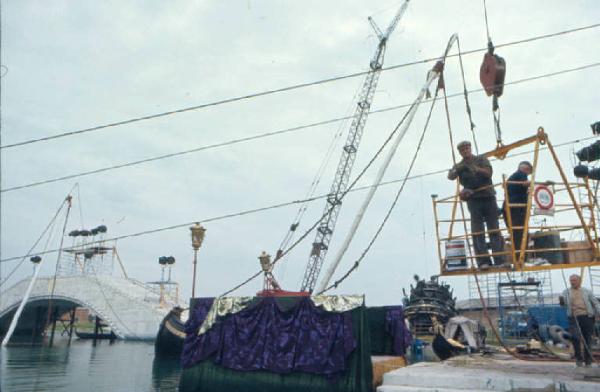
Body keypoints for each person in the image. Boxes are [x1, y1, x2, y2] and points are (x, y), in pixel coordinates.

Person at [448, 140, 505, 268]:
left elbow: (489, 173)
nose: (465, 151)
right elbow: (450, 176)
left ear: (470, 148)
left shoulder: (481, 159)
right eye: (462, 150)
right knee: (477, 232)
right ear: (460, 152)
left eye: (467, 149)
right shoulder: (460, 165)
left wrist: (476, 169)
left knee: (494, 229)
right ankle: (483, 261)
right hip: (473, 200)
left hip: (488, 197)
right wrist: (455, 170)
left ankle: (500, 260)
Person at [559, 274, 600, 367]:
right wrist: (561, 301)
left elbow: (595, 303)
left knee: (587, 339)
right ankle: (579, 359)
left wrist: (599, 312)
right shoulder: (566, 292)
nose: (572, 282)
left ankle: (588, 361)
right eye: (571, 281)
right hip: (573, 317)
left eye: (574, 280)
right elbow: (563, 304)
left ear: (579, 281)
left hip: (587, 317)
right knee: (575, 337)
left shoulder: (586, 291)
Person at [503, 161, 532, 260]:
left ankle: (518, 257)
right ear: (526, 169)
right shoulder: (520, 174)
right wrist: (541, 185)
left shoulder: (513, 177)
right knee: (521, 233)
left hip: (509, 207)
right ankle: (521, 258)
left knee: (515, 233)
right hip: (516, 208)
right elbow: (526, 184)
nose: (527, 175)